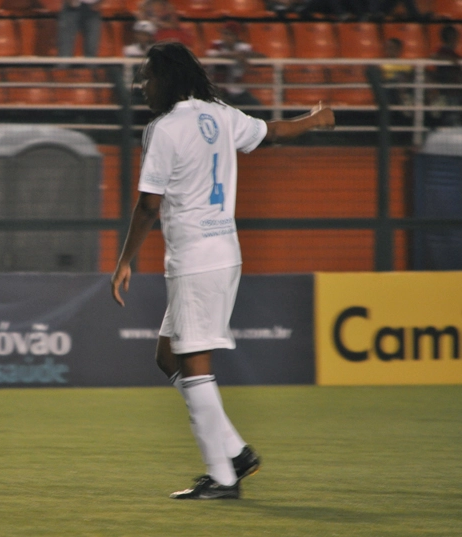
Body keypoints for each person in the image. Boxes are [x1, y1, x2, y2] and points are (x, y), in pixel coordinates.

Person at [110, 41, 335, 500]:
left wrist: (124, 260)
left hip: (195, 259)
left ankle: (222, 478)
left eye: (149, 76)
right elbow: (272, 132)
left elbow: (149, 205)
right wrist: (316, 120)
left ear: (167, 79)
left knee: (194, 363)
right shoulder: (218, 114)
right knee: (167, 356)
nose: (143, 85)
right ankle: (235, 453)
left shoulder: (165, 129)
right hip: (222, 253)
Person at [205, 21, 265, 115]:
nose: (225, 37)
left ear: (236, 36)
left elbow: (262, 57)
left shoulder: (243, 47)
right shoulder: (216, 45)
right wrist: (235, 55)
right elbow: (211, 55)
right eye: (224, 33)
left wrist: (246, 54)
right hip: (219, 90)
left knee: (257, 107)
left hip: (238, 90)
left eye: (229, 34)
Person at [429, 25, 462, 126]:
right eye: (456, 37)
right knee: (451, 117)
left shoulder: (454, 55)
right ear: (452, 37)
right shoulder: (443, 52)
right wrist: (450, 59)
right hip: (449, 91)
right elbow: (434, 57)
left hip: (454, 90)